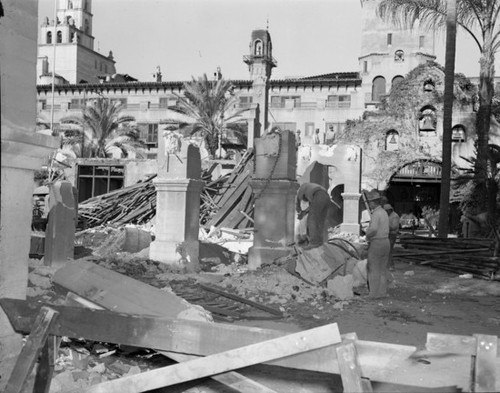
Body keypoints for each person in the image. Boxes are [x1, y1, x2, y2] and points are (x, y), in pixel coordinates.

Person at [364, 189, 390, 298]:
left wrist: (366, 235)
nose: (369, 204)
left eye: (370, 202)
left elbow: (373, 229)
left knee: (373, 269)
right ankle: (382, 293)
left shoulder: (376, 213)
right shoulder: (384, 212)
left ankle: (373, 294)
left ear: (374, 202)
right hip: (386, 242)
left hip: (377, 242)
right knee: (382, 269)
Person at [296, 182, 334, 249]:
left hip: (319, 195)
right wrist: (304, 212)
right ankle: (321, 242)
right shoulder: (310, 192)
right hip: (326, 197)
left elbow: (298, 202)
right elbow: (311, 208)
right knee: (320, 221)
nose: (305, 201)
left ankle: (314, 242)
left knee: (312, 219)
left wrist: (299, 211)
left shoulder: (301, 190)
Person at [384, 204, 400, 270]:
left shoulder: (395, 216)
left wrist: (386, 225)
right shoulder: (388, 216)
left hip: (392, 235)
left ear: (389, 210)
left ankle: (391, 266)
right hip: (388, 234)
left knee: (389, 250)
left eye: (386, 211)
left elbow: (394, 227)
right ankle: (387, 265)